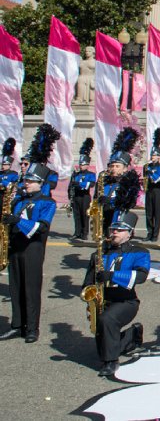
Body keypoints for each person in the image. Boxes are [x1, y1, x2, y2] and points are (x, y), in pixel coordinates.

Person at [1, 124, 60, 343]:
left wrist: (17, 220)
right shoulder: (19, 200)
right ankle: (17, 324)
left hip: (33, 249)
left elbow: (39, 228)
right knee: (15, 287)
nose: (26, 183)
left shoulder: (47, 203)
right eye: (26, 180)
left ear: (40, 183)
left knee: (31, 288)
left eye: (31, 181)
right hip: (15, 247)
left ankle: (32, 328)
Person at [82, 211, 150, 378]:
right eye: (113, 229)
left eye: (119, 230)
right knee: (103, 343)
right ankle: (132, 335)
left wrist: (112, 276)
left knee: (107, 321)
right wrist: (90, 295)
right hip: (104, 301)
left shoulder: (139, 252)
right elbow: (87, 282)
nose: (114, 233)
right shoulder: (99, 253)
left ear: (130, 233)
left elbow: (141, 277)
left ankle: (111, 362)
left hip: (126, 301)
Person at [69, 138, 96, 241]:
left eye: (83, 164)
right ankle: (77, 232)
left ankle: (84, 233)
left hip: (85, 196)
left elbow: (91, 184)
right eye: (80, 164)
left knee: (85, 215)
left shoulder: (90, 174)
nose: (81, 166)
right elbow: (71, 185)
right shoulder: (76, 174)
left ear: (87, 165)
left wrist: (80, 184)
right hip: (76, 196)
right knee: (76, 215)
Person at [142, 129, 160, 243]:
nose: (153, 157)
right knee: (149, 213)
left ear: (158, 157)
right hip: (149, 190)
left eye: (155, 155)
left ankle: (155, 234)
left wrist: (153, 174)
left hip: (157, 190)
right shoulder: (146, 166)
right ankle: (149, 232)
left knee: (157, 212)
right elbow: (144, 178)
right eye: (152, 155)